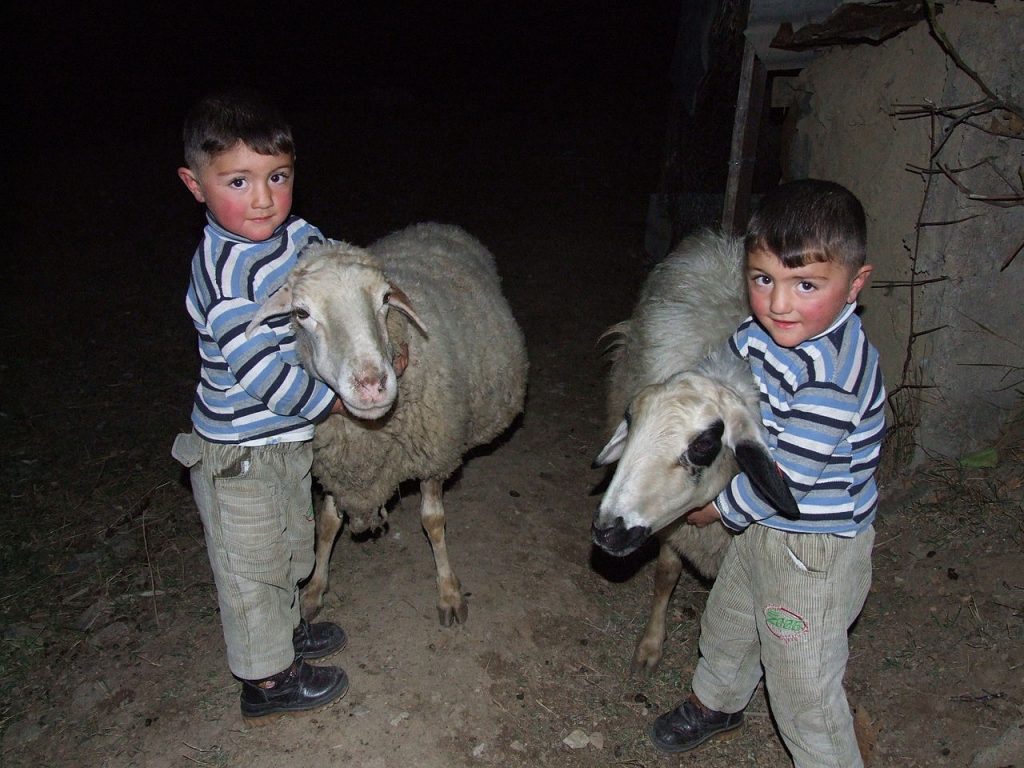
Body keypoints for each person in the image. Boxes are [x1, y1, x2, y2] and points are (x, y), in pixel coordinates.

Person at [649, 179, 886, 766]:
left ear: (855, 284)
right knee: (729, 620)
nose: (779, 303)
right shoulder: (766, 334)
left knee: (802, 682)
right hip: (765, 527)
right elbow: (722, 366)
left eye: (805, 284)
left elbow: (790, 480)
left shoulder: (834, 377)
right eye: (763, 280)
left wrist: (716, 510)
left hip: (816, 551)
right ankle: (718, 703)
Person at [170, 90, 350, 720]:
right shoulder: (224, 272)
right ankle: (266, 680)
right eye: (238, 181)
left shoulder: (297, 236)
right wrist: (330, 402)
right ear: (196, 185)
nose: (264, 199)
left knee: (292, 544)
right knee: (252, 568)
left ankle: (285, 634)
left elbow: (334, 274)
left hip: (284, 441)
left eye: (277, 177)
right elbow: (260, 375)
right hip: (236, 452)